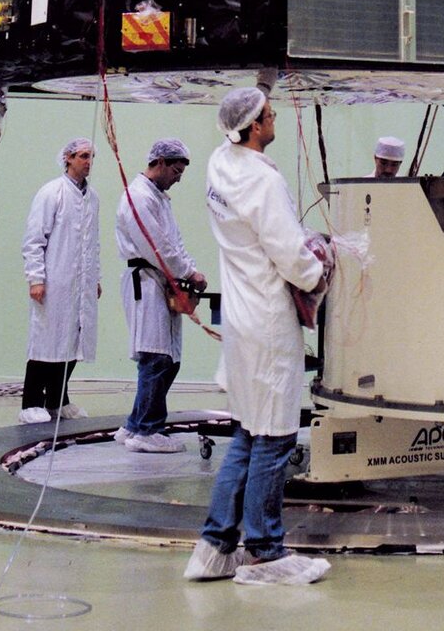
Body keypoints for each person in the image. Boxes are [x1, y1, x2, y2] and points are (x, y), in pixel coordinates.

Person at [186, 87, 331, 587]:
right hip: (268, 319)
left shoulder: (218, 165)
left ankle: (214, 548)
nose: (276, 121)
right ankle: (265, 554)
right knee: (275, 436)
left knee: (248, 432)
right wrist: (322, 269)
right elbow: (290, 255)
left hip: (239, 318)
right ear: (252, 128)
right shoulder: (261, 182)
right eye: (269, 116)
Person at [115, 137, 206, 452]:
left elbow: (174, 243)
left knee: (167, 358)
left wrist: (190, 270)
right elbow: (157, 246)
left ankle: (134, 425)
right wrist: (188, 272)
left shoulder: (159, 198)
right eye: (176, 171)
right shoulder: (139, 197)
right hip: (147, 282)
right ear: (160, 162)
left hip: (160, 280)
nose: (178, 179)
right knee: (156, 357)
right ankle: (146, 431)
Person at [20, 137, 102, 424]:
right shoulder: (51, 193)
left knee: (73, 342)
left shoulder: (93, 198)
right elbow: (33, 240)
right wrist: (36, 278)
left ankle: (57, 400)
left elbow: (93, 244)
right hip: (53, 282)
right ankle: (31, 402)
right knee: (46, 342)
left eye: (91, 156)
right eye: (82, 156)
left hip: (80, 285)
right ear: (67, 158)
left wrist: (95, 278)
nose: (88, 162)